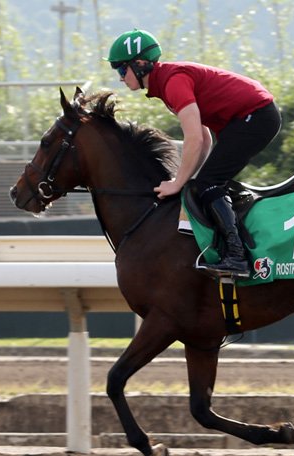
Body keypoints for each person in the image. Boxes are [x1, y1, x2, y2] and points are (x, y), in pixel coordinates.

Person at [104, 29, 282, 279]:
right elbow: (204, 137)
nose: (121, 78)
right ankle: (232, 248)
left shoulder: (172, 81)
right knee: (206, 184)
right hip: (251, 117)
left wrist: (178, 182)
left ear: (141, 64)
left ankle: (237, 256)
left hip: (256, 115)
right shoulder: (164, 84)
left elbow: (195, 139)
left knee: (208, 184)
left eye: (122, 70)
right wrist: (188, 180)